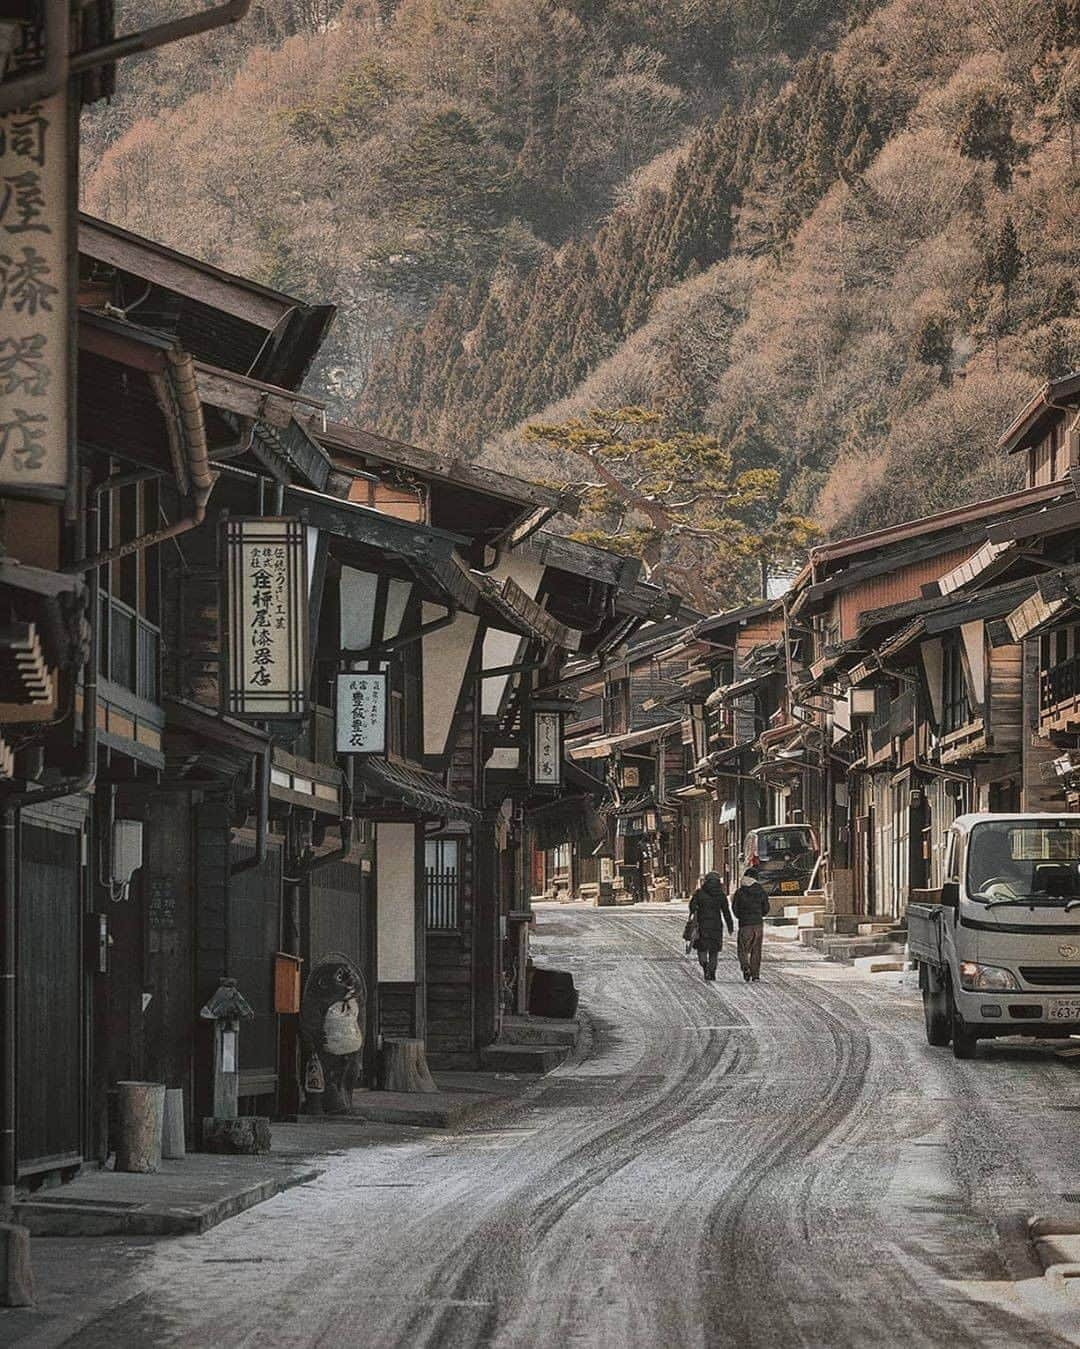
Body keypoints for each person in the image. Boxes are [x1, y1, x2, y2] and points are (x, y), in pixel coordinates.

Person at [689, 872, 733, 982]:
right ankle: (712, 970)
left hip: (702, 925)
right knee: (714, 950)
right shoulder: (721, 895)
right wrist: (730, 925)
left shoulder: (699, 893)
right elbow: (726, 911)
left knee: (702, 948)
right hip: (716, 926)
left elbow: (692, 906)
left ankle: (704, 965)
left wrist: (696, 909)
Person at [732, 867, 770, 982]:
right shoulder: (761, 891)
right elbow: (766, 908)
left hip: (745, 925)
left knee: (742, 949)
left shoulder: (739, 892)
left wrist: (741, 917)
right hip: (758, 924)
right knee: (756, 950)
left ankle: (745, 967)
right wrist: (760, 915)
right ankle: (755, 975)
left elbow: (735, 909)